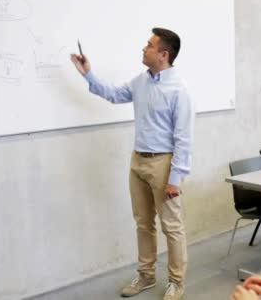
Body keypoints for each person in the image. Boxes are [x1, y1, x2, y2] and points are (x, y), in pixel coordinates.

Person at [70, 28, 193, 300]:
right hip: (138, 161)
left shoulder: (179, 90)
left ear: (163, 54)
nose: (143, 49)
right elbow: (114, 94)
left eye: (149, 46)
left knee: (171, 226)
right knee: (143, 223)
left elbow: (183, 138)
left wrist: (175, 178)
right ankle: (147, 275)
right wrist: (87, 73)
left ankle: (176, 282)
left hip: (164, 164)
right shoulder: (141, 82)